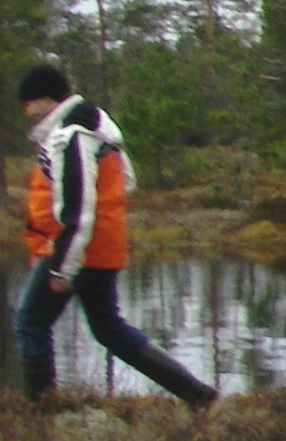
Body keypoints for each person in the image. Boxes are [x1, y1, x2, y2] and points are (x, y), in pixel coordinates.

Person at [14, 64, 213, 407]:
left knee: (30, 320)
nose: (25, 112)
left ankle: (41, 412)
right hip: (100, 246)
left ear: (45, 99)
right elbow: (126, 181)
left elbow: (78, 207)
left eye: (28, 103)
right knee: (109, 329)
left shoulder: (71, 135)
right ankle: (199, 396)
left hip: (71, 248)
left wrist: (63, 266)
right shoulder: (97, 127)